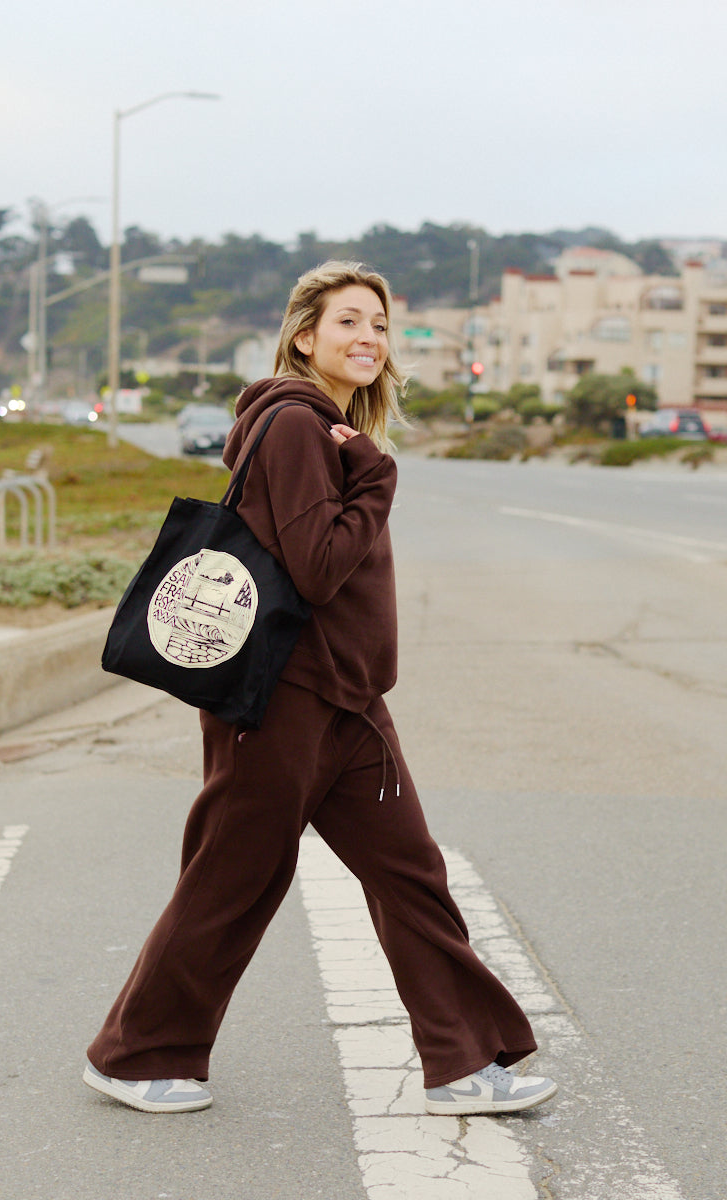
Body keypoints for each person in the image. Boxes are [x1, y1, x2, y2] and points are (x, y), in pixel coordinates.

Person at [83, 260, 557, 1117]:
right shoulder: (300, 427)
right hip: (283, 702)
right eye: (348, 322)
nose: (368, 337)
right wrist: (377, 481)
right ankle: (134, 1055)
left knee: (411, 874)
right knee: (233, 879)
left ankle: (462, 1065)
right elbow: (318, 565)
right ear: (306, 336)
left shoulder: (326, 426)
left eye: (380, 324)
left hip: (346, 705)